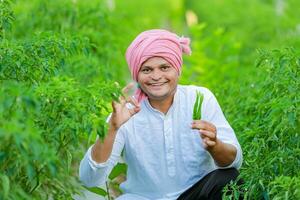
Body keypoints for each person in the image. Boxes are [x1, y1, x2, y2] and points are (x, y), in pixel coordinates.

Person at [79, 29, 243, 200]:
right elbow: (89, 179)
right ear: (137, 74)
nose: (156, 76)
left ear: (178, 69)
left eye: (164, 67)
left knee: (229, 179)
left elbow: (235, 161)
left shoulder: (199, 98)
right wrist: (111, 129)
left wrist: (215, 146)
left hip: (195, 196)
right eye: (147, 70)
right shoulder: (126, 112)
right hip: (144, 198)